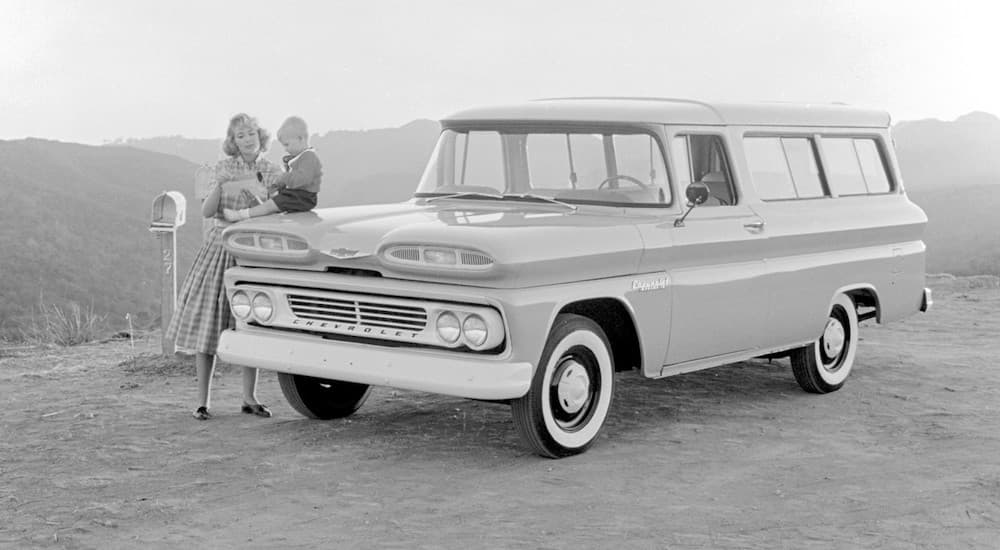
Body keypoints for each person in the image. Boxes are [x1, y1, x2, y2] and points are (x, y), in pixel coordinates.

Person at [165, 113, 279, 420]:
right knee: (209, 324)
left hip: (252, 250)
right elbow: (207, 210)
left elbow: (278, 208)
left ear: (260, 136)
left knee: (249, 323)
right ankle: (202, 401)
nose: (246, 139)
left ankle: (249, 397)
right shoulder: (224, 168)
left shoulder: (270, 170)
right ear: (232, 141)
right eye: (239, 135)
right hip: (220, 248)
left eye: (251, 133)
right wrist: (222, 184)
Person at [224, 116, 321, 221]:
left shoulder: (309, 157)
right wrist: (278, 185)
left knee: (271, 205)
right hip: (298, 196)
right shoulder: (301, 157)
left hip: (303, 197)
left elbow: (302, 179)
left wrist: (284, 177)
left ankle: (240, 215)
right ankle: (250, 208)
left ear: (300, 139)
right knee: (271, 205)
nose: (285, 149)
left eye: (287, 145)